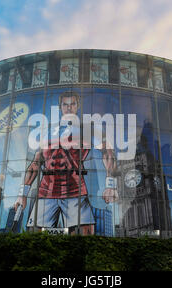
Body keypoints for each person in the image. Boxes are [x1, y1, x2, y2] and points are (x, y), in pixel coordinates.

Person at [14, 91, 118, 235]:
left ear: (78, 106)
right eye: (65, 104)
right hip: (46, 192)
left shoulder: (89, 129)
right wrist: (22, 194)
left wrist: (111, 185)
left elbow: (108, 153)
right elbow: (36, 163)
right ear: (60, 106)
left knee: (84, 236)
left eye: (72, 104)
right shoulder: (48, 132)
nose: (69, 108)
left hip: (75, 192)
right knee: (34, 238)